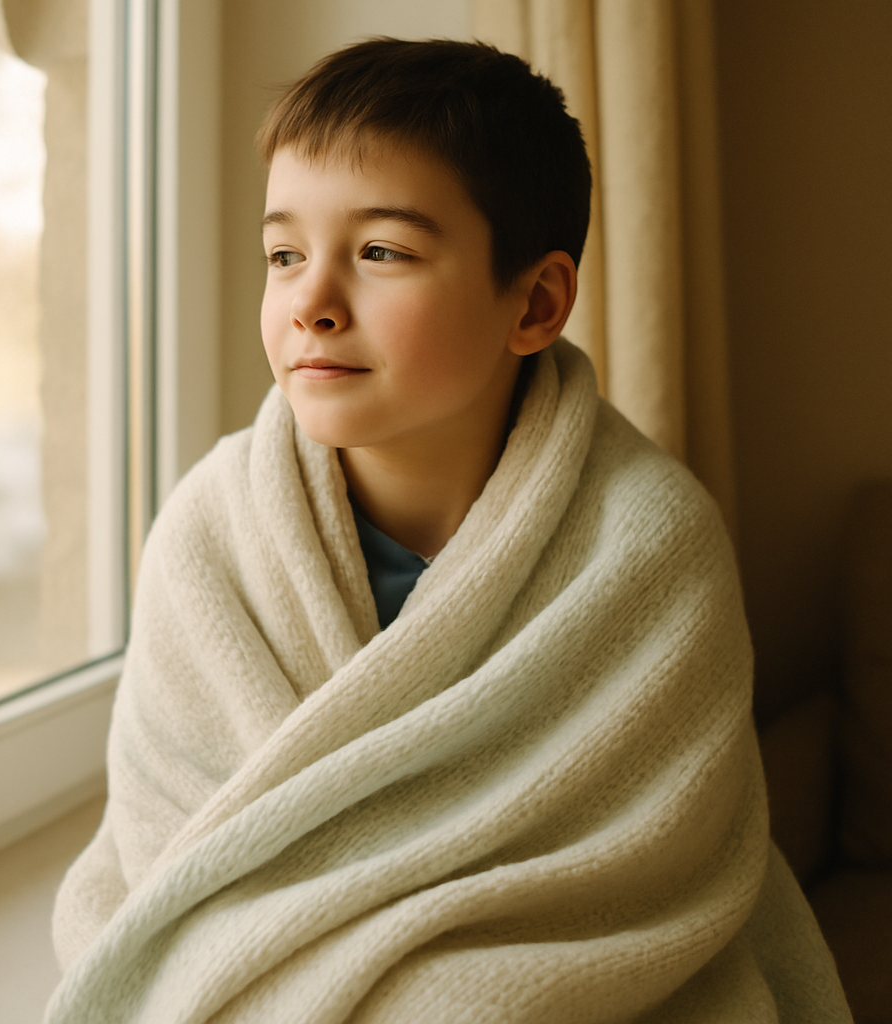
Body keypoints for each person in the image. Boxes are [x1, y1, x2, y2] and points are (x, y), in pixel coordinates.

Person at [45, 39, 850, 1023]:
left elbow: (646, 860)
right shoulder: (212, 534)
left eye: (380, 252)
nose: (311, 303)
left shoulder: (647, 543)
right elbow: (173, 852)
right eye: (284, 254)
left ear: (536, 301)